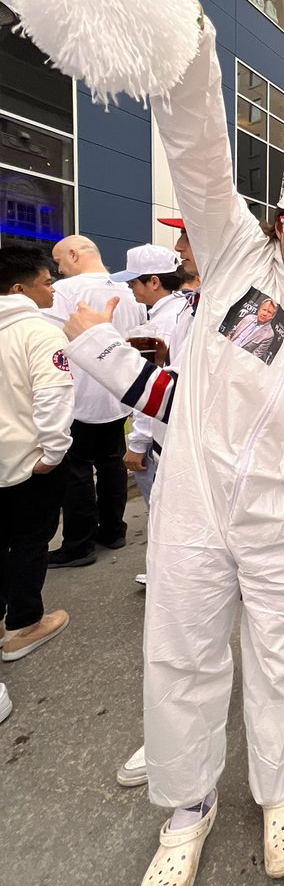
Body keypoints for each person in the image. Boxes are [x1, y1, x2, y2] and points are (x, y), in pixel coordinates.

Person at [132, 12, 284, 886]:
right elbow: (198, 147)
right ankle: (186, 809)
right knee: (181, 660)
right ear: (280, 219)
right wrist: (187, 45)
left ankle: (280, 790)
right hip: (191, 512)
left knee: (279, 662)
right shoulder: (234, 258)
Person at [42, 235, 145, 567]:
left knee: (77, 472)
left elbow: (46, 340)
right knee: (111, 464)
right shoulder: (130, 293)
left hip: (81, 395)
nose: (58, 269)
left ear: (74, 254)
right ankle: (114, 530)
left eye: (59, 261)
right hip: (118, 394)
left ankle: (78, 544)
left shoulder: (66, 292)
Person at [0, 246, 73, 667]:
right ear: (18, 288)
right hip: (30, 462)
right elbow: (53, 396)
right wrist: (54, 451)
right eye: (47, 282)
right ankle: (24, 625)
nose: (52, 288)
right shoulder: (40, 331)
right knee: (30, 542)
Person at [110, 244, 189, 506]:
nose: (130, 288)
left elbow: (155, 385)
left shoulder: (161, 324)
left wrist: (138, 441)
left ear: (154, 281)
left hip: (162, 435)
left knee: (160, 508)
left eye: (133, 282)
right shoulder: (182, 308)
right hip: (174, 433)